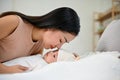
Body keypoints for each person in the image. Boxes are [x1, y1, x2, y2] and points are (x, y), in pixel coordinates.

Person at [0, 7, 80, 73]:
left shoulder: (38, 47)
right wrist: (6, 70)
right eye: (60, 40)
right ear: (52, 26)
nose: (59, 47)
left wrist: (71, 61)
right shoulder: (14, 22)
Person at [3, 49, 80, 72]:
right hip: (5, 66)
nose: (50, 52)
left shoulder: (43, 67)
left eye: (54, 56)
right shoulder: (40, 56)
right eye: (54, 51)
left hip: (9, 72)